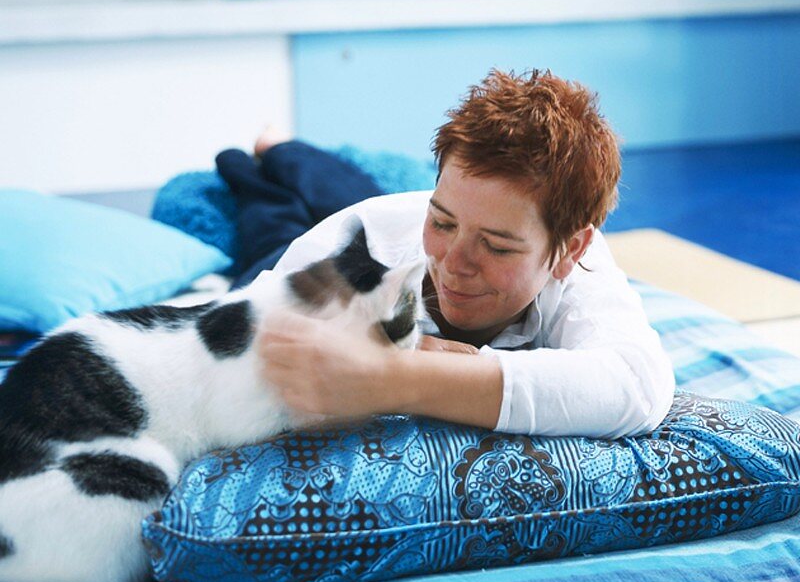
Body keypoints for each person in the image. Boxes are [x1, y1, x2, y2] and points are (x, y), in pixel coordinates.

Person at [217, 68, 675, 439]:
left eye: (496, 245)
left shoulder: (583, 268)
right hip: (324, 248)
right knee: (271, 223)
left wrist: (395, 374)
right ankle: (275, 152)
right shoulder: (357, 238)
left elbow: (635, 385)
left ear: (569, 250)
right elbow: (248, 344)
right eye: (441, 222)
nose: (454, 263)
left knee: (344, 195)